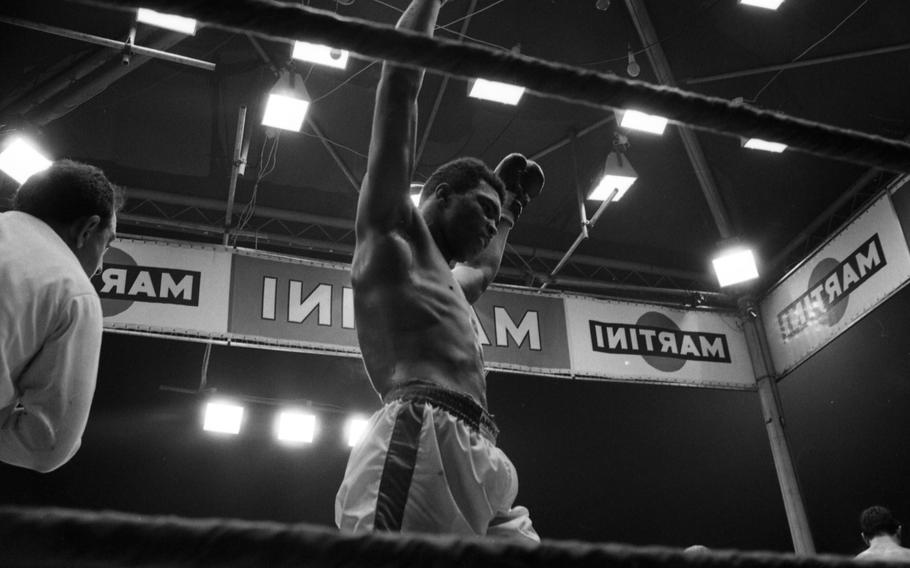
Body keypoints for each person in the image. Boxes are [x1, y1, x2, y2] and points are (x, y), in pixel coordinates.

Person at [334, 0, 543, 541]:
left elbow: (488, 270)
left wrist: (509, 207)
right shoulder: (393, 236)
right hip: (418, 433)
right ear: (441, 195)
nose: (488, 227)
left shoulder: (452, 286)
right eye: (483, 211)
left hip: (481, 450)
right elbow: (399, 85)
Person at [0, 160, 121, 472]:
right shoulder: (75, 292)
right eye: (107, 245)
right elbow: (46, 444)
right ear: (87, 229)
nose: (101, 266)